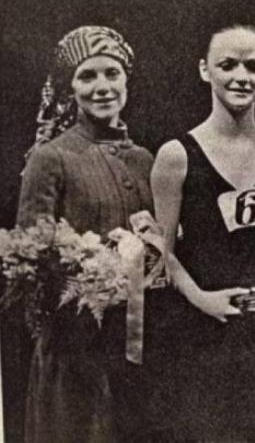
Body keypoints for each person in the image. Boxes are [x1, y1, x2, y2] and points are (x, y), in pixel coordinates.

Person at [150, 24, 255, 441]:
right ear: (205, 70)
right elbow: (163, 254)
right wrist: (203, 299)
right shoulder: (175, 156)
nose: (242, 77)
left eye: (253, 66)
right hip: (202, 337)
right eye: (228, 65)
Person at [17, 26, 154, 443]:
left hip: (138, 350)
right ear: (69, 87)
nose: (102, 87)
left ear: (126, 79)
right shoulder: (51, 157)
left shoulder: (145, 160)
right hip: (73, 355)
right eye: (87, 76)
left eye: (112, 73)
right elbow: (29, 259)